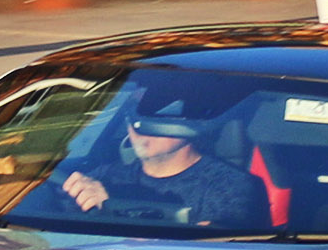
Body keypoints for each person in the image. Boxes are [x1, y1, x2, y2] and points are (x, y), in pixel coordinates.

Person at [61, 96, 270, 229]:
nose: (140, 126)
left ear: (192, 126)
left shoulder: (232, 185)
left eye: (157, 117)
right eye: (135, 115)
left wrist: (112, 209)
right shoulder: (106, 177)